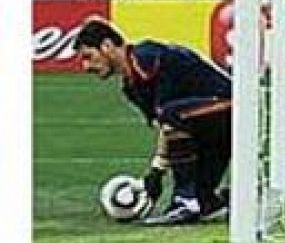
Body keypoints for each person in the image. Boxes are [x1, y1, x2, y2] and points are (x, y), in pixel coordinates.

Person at [73, 17, 232, 225]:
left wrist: (157, 172)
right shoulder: (131, 88)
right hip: (210, 129)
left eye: (88, 56)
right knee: (204, 201)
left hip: (230, 110)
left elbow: (168, 118)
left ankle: (185, 201)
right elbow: (165, 130)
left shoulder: (144, 56)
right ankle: (223, 200)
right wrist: (154, 174)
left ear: (107, 46)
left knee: (171, 114)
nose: (86, 67)